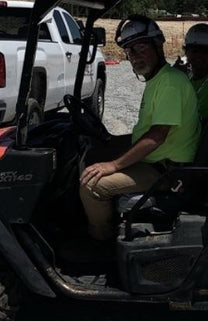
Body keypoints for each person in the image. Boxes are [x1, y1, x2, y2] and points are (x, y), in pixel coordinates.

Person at [77, 15, 200, 246]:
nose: (134, 56)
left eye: (141, 48)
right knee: (96, 155)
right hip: (158, 162)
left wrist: (113, 165)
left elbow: (156, 136)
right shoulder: (159, 79)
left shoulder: (170, 83)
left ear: (158, 45)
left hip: (167, 172)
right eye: (129, 51)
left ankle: (99, 245)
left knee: (92, 186)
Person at [173, 23, 208, 121]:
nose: (199, 56)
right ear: (186, 52)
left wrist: (175, 81)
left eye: (206, 51)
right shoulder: (190, 80)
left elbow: (188, 120)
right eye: (195, 51)